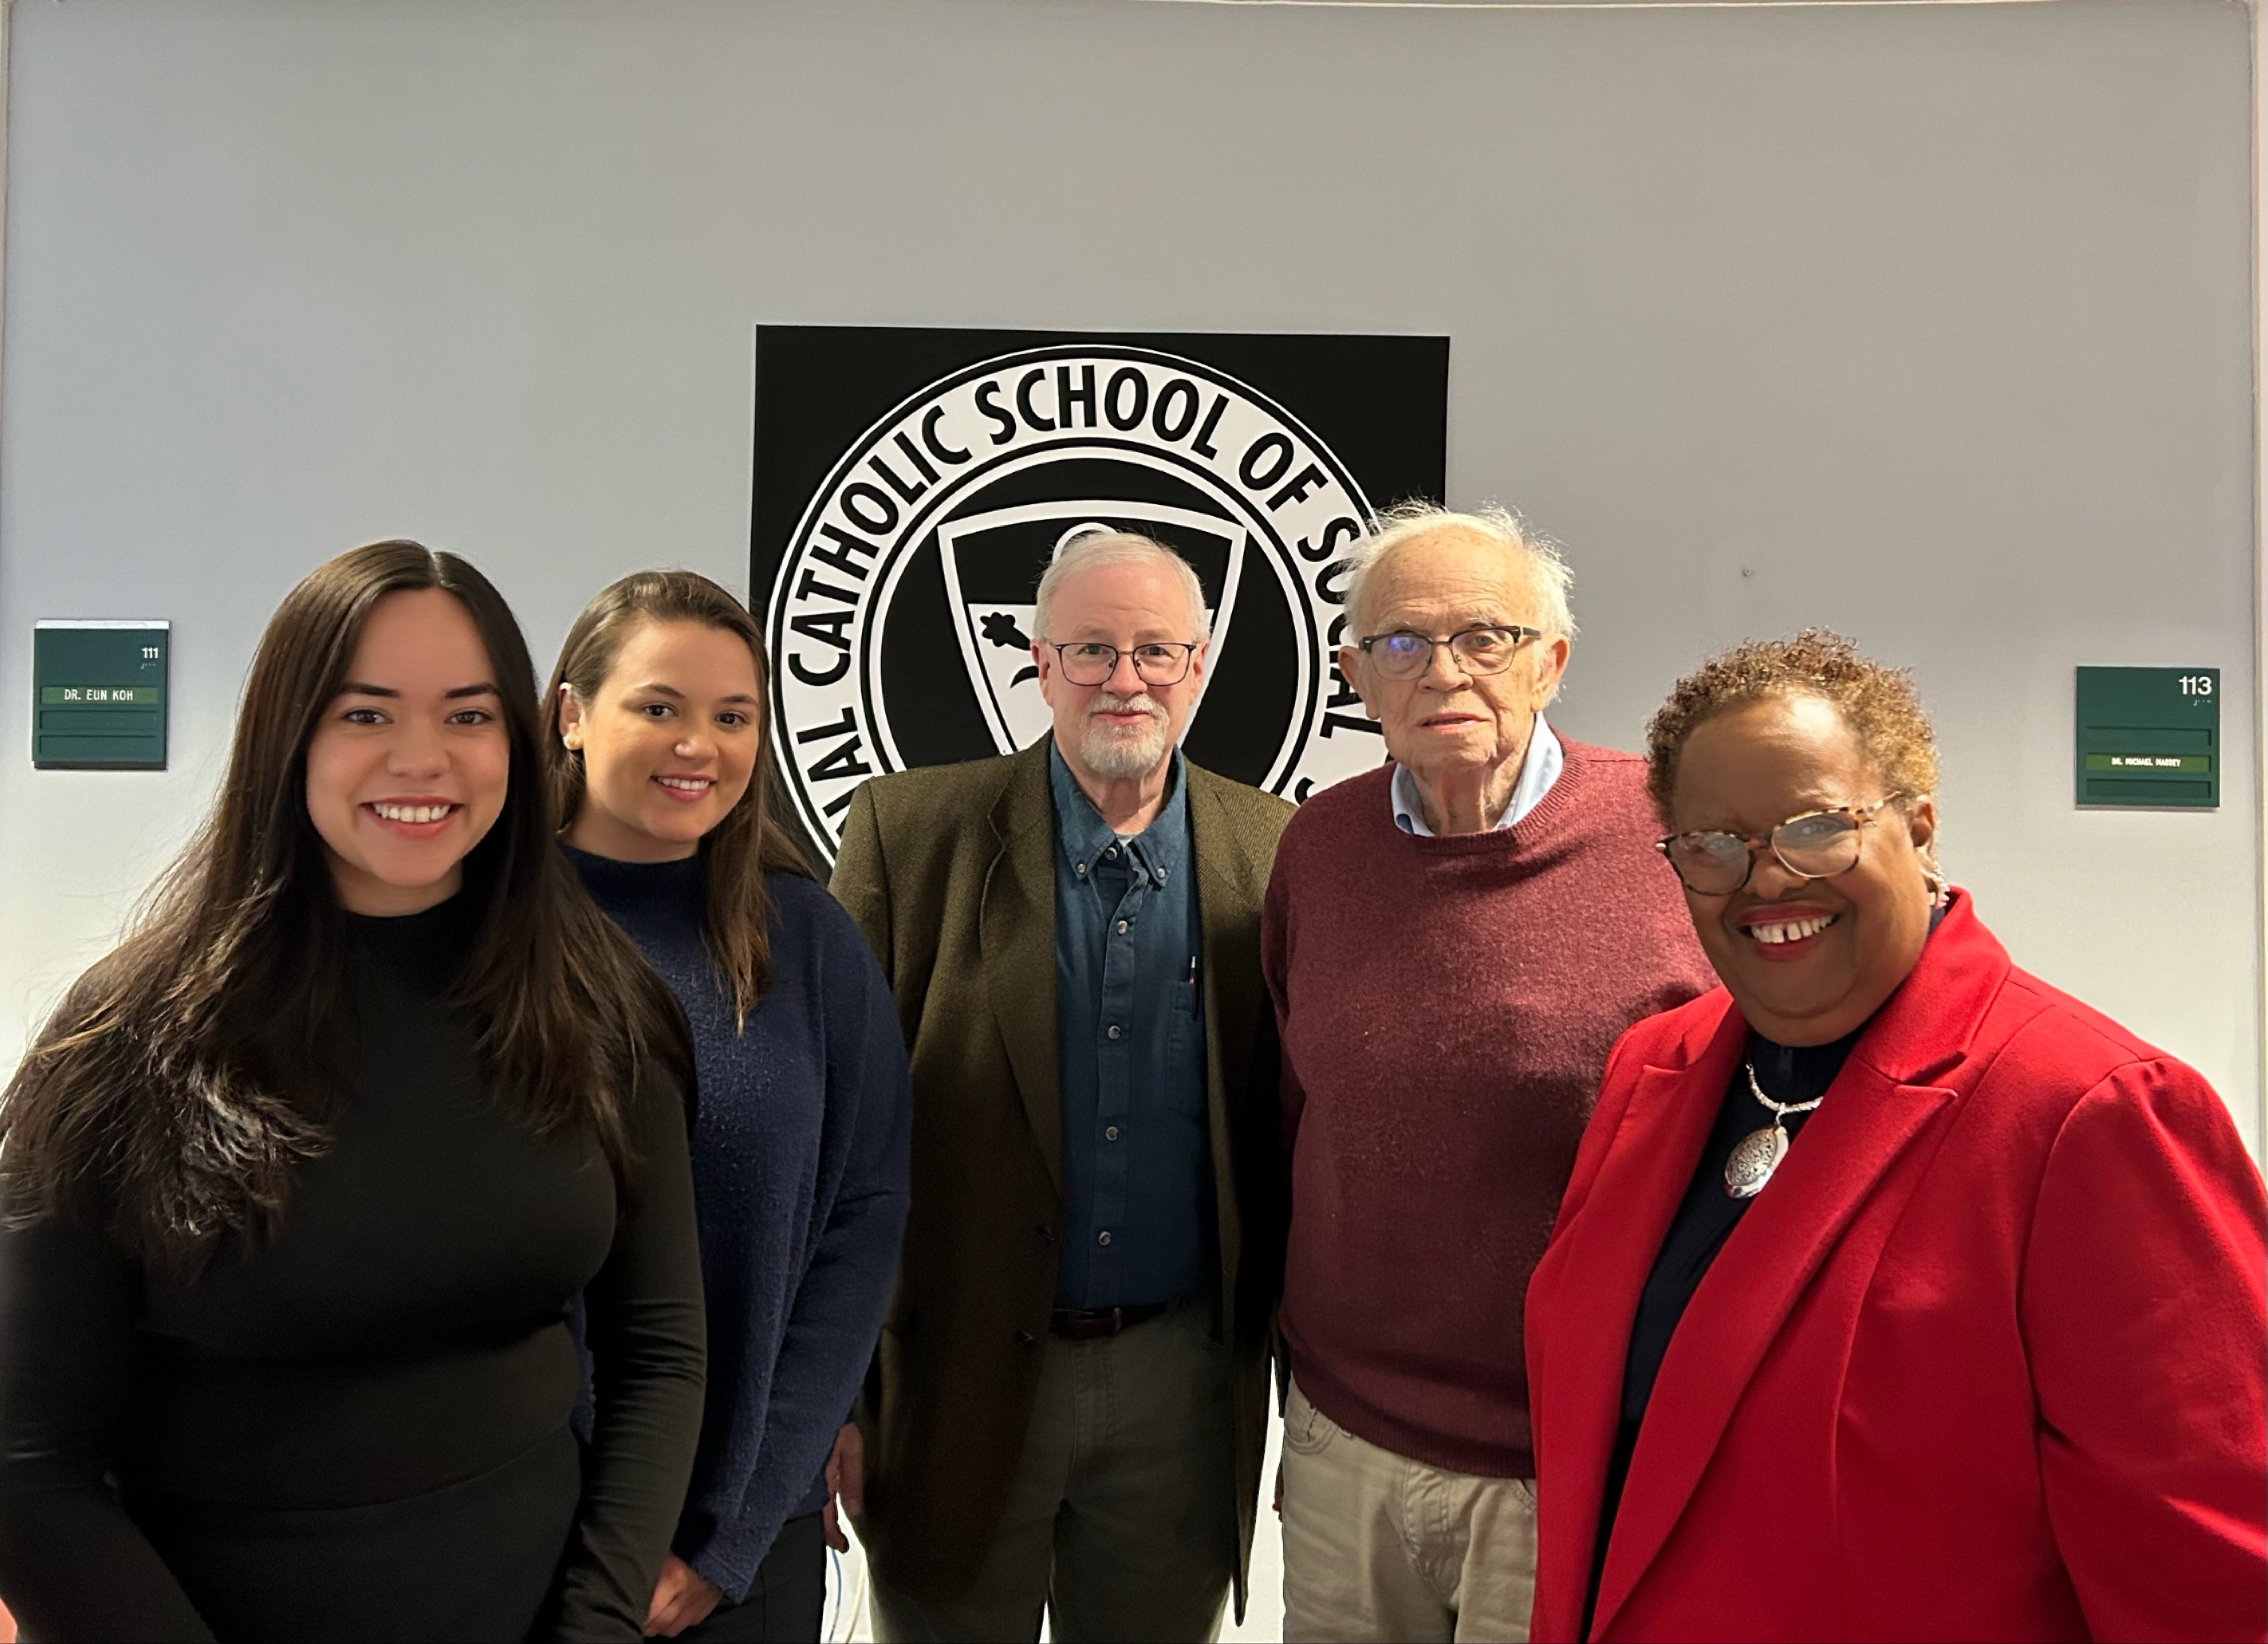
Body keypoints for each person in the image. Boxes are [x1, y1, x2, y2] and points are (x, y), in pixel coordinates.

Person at [0, 541, 706, 1642]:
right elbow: (26, 1456)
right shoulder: (124, 1036)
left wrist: (596, 1628)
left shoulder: (598, 1002)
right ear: (288, 737)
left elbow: (660, 1348)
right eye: (366, 714)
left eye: (469, 716)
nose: (423, 758)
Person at [1524, 630, 2268, 1642]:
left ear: (1919, 826)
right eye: (1714, 845)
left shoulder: (2091, 1114)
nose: (1767, 878)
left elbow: (2211, 1584)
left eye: (1817, 827)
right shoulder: (1650, 1069)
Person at [1263, 503, 1714, 1643]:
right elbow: (1289, 1101)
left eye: (1486, 637)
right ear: (1355, 675)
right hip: (1341, 1438)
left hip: (1565, 1448)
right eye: (1403, 644)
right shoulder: (1318, 846)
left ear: (1552, 661)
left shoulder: (1670, 833)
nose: (1444, 671)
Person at [829, 530, 1292, 1643]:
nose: (1123, 680)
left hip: (1180, 1387)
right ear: (1037, 664)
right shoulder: (908, 833)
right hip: (953, 1382)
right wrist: (832, 1399)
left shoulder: (1280, 850)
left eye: (1153, 651)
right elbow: (835, 1136)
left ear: (1202, 662)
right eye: (1090, 650)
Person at [545, 570, 910, 1642]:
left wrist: (726, 1540)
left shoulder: (806, 939)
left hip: (740, 1549)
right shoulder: (485, 929)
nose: (696, 744)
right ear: (572, 715)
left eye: (732, 716)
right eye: (658, 706)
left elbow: (863, 1223)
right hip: (514, 1523)